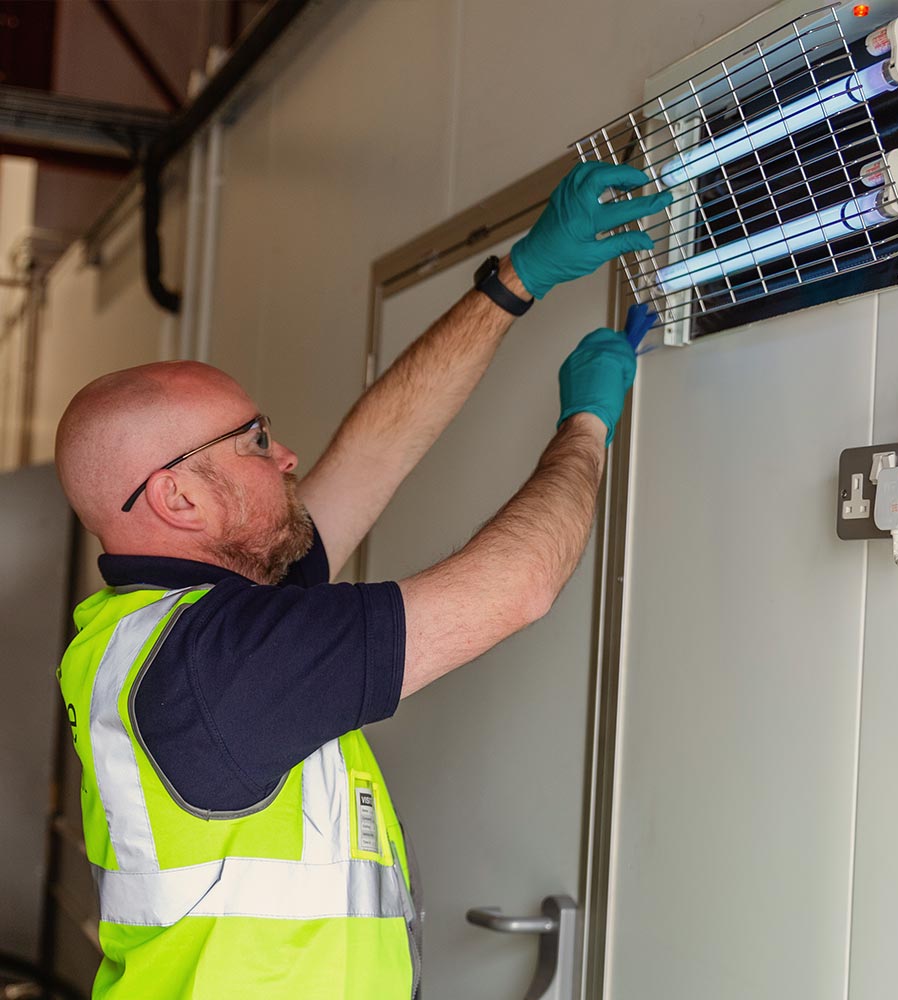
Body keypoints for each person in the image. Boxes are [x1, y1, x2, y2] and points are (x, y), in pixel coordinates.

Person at [54, 162, 671, 999]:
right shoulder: (216, 664)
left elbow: (372, 456)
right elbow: (519, 584)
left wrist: (517, 280)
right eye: (255, 441)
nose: (286, 456)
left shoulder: (176, 626)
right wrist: (586, 428)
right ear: (178, 498)